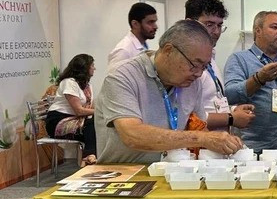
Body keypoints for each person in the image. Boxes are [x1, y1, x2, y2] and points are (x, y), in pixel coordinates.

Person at [95, 20, 242, 163]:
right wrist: (201, 139)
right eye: (194, 65)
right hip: (126, 176)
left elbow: (200, 127)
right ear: (168, 50)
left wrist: (223, 142)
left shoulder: (193, 82)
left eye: (204, 66)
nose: (198, 74)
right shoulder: (122, 77)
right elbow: (132, 135)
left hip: (171, 172)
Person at [224, 11, 277, 152]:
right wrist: (258, 79)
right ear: (257, 31)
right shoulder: (239, 59)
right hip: (250, 148)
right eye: (274, 27)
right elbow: (229, 95)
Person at [184, 0, 255, 131]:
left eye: (220, 25)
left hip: (214, 143)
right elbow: (186, 118)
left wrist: (232, 110)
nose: (216, 32)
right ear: (189, 24)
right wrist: (231, 118)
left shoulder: (210, 57)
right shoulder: (184, 63)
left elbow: (209, 102)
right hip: (196, 146)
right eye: (209, 25)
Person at [46, 54, 97, 166]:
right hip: (57, 120)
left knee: (98, 126)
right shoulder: (69, 83)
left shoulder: (87, 85)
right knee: (91, 126)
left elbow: (90, 107)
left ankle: (89, 158)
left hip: (74, 119)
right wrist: (100, 112)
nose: (94, 68)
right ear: (84, 67)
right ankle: (89, 157)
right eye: (92, 65)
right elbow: (79, 110)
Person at [108, 2, 158, 68]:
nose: (155, 27)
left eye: (155, 22)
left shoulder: (143, 46)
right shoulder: (123, 51)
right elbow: (114, 78)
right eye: (150, 22)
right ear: (135, 24)